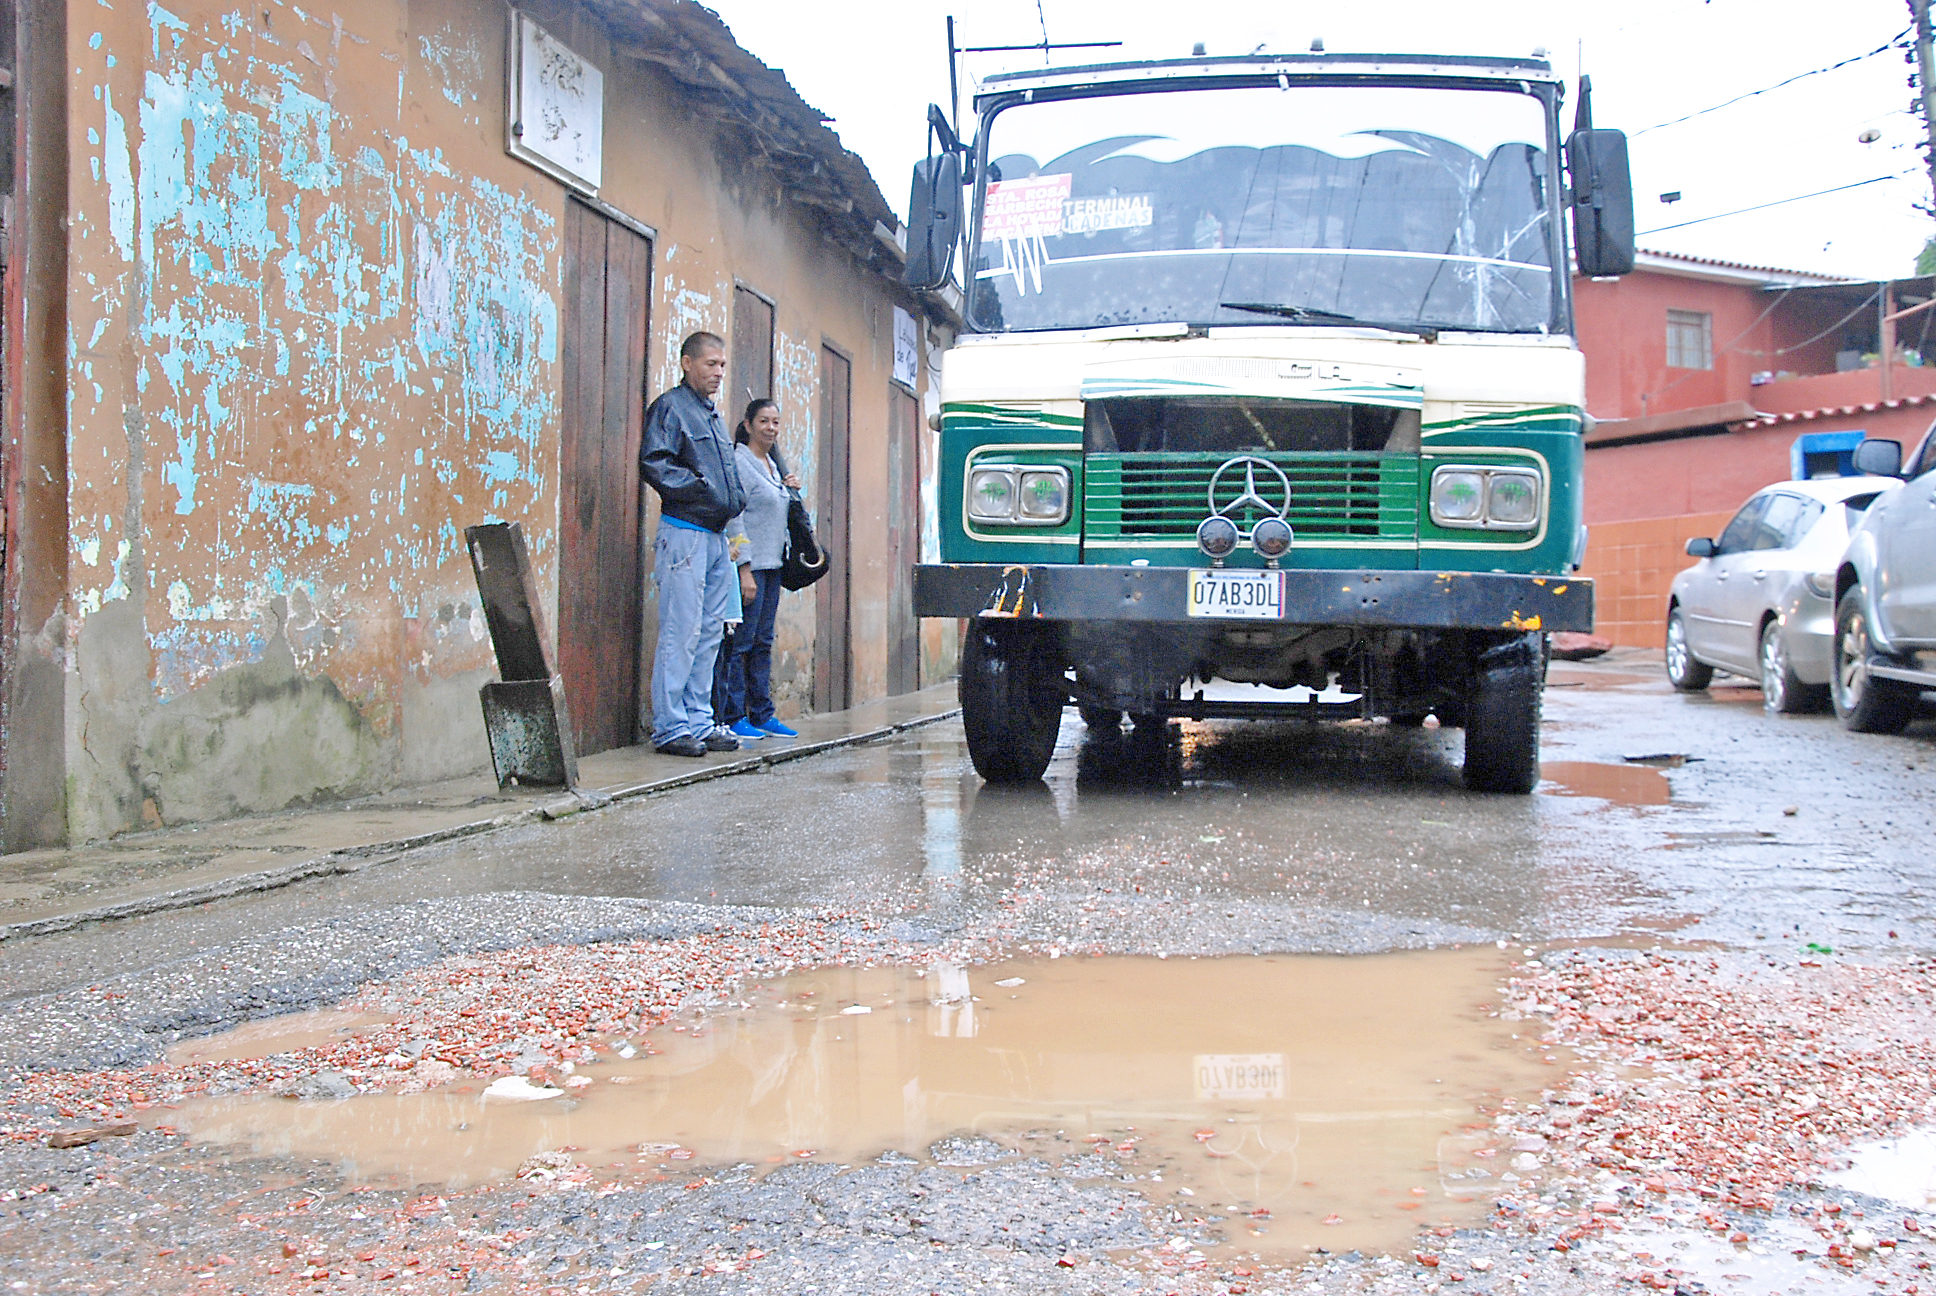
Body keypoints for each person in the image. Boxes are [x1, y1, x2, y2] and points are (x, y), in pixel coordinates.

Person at [640, 332, 748, 758]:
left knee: (709, 633)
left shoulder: (712, 416)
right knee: (680, 632)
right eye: (710, 364)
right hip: (684, 530)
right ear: (687, 363)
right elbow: (655, 463)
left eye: (722, 365)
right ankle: (670, 726)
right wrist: (703, 490)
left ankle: (699, 721)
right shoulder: (671, 407)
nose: (718, 372)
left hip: (716, 536)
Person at [712, 398, 802, 741]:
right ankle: (734, 715)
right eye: (764, 421)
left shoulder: (772, 465)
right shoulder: (739, 461)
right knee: (742, 643)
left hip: (773, 565)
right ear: (748, 425)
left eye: (776, 422)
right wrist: (744, 568)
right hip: (751, 568)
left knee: (763, 641)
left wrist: (788, 489)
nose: (771, 428)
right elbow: (735, 517)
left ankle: (762, 713)